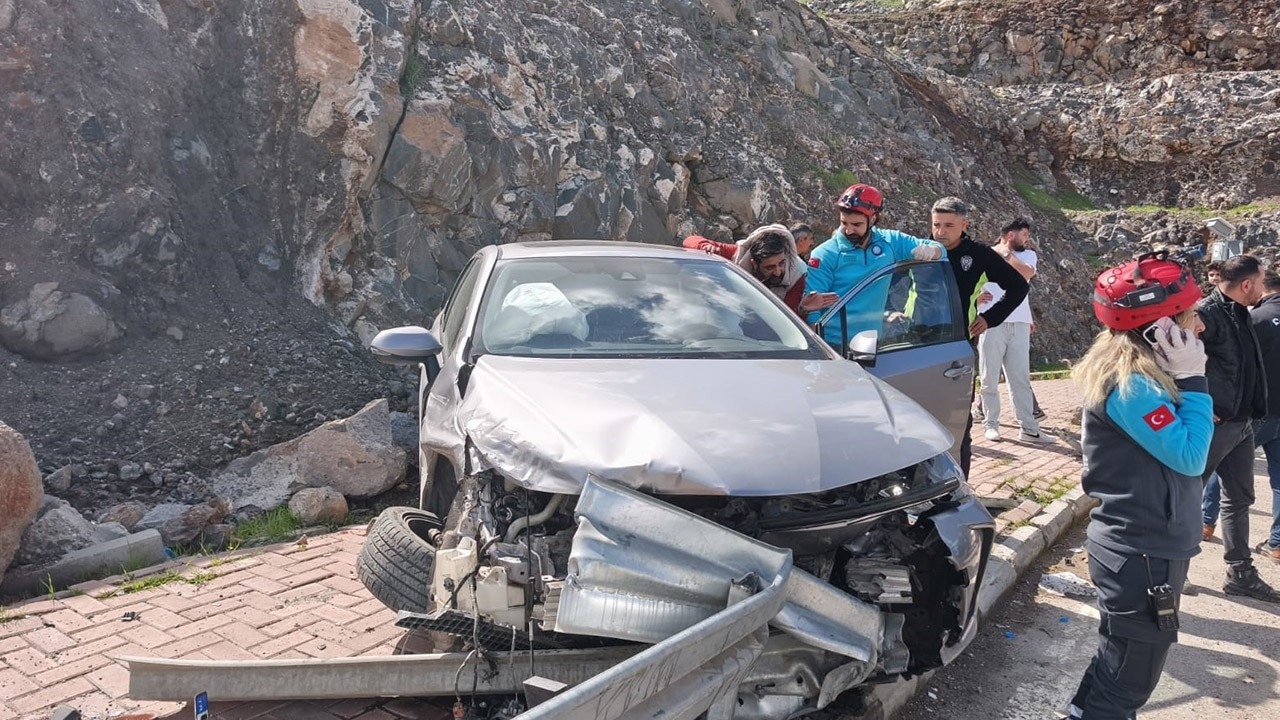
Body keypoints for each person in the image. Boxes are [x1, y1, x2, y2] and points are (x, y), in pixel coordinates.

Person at [1067, 251, 1213, 719]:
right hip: (1143, 552)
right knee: (1128, 683)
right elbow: (1191, 457)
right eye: (1189, 316)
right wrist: (1194, 379)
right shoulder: (1132, 388)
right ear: (1157, 330)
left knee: (1118, 662)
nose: (1199, 326)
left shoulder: (1142, 378)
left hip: (1140, 547)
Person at [1196, 253, 1280, 601]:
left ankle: (1240, 572)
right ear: (1246, 284)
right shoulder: (1205, 314)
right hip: (1217, 425)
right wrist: (1197, 402)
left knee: (1239, 498)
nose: (1264, 287)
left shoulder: (1243, 313)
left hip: (1243, 422)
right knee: (1188, 494)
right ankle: (1170, 570)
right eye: (1261, 281)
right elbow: (1174, 359)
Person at [931, 197, 1030, 478]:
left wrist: (990, 318)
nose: (941, 232)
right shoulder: (920, 250)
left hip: (957, 348)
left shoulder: (978, 254)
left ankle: (960, 487)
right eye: (936, 224)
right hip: (917, 345)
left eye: (949, 225)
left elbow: (1018, 287)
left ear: (964, 225)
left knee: (959, 423)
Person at [804, 183, 944, 348]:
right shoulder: (825, 254)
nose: (848, 230)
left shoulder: (890, 242)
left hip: (871, 342)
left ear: (873, 219)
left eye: (856, 225)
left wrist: (931, 251)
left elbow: (941, 249)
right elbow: (812, 308)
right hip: (833, 343)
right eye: (844, 223)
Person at [976, 218, 1053, 444]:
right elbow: (972, 283)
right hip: (990, 322)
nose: (1027, 239)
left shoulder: (1027, 256)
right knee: (989, 377)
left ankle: (1029, 429)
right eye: (1024, 234)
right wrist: (976, 298)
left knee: (1019, 378)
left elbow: (1025, 275)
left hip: (1019, 323)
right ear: (1011, 234)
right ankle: (991, 425)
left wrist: (1005, 254)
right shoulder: (985, 254)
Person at [682, 224, 837, 316]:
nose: (777, 272)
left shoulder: (795, 276)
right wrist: (706, 248)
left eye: (781, 264)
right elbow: (690, 240)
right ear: (753, 263)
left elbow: (784, 319)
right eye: (770, 267)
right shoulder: (738, 256)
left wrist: (802, 308)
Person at [1250, 270, 1280, 564]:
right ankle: (1278, 543)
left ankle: (1205, 524)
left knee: (1222, 468)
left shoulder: (1256, 319)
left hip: (1258, 411)